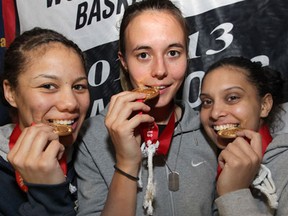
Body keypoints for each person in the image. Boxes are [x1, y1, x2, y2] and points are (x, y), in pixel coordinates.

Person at [74, 0, 218, 215]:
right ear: (124, 61)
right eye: (143, 55)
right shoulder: (93, 136)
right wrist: (126, 162)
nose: (160, 70)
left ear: (187, 55)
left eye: (173, 53)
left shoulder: (210, 127)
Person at [0, 27, 90, 215]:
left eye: (79, 86)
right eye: (48, 86)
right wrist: (48, 194)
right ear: (11, 93)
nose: (71, 103)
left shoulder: (95, 154)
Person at [199, 56, 288, 215]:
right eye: (207, 101)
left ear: (264, 106)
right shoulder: (206, 170)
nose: (215, 112)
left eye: (232, 97)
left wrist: (234, 193)